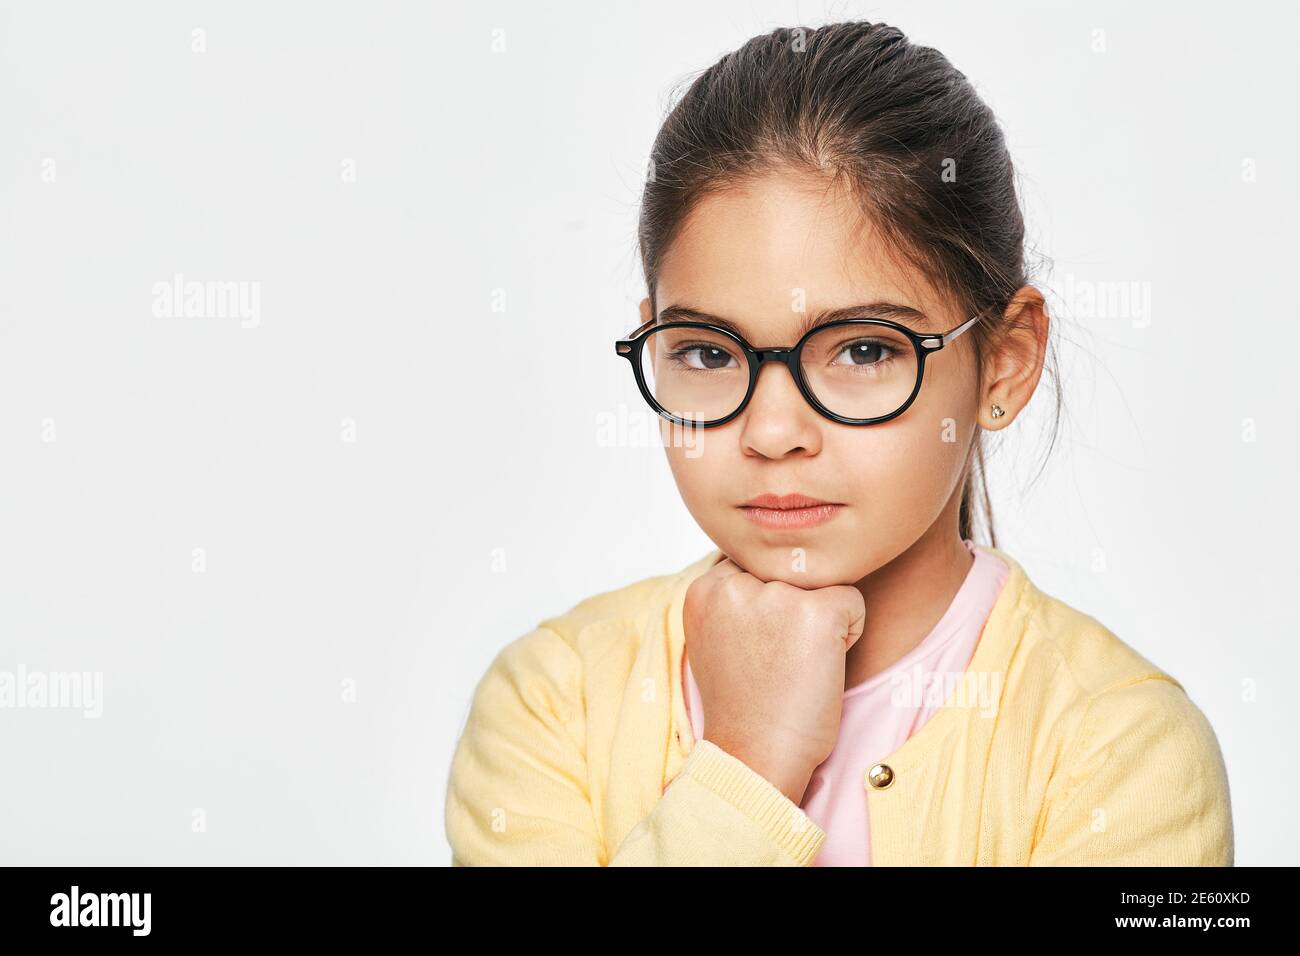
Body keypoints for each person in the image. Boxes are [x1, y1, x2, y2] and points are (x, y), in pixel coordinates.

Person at [443, 20, 1233, 866]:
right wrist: (747, 762)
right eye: (709, 352)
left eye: (863, 350)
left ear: (1002, 363)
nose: (774, 431)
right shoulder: (552, 702)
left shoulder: (1123, 750)